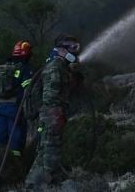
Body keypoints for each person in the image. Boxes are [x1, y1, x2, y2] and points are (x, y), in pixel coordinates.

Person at [25, 35, 82, 189]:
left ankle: (32, 184)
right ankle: (40, 185)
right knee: (51, 152)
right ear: (62, 50)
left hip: (52, 115)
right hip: (52, 115)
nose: (76, 52)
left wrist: (73, 74)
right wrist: (57, 114)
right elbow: (50, 96)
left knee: (45, 151)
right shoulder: (55, 67)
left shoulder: (60, 67)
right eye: (72, 48)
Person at [0, 40, 34, 157]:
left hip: (0, 107)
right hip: (15, 109)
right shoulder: (25, 68)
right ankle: (15, 165)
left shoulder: (5, 66)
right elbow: (28, 88)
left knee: (0, 136)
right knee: (16, 138)